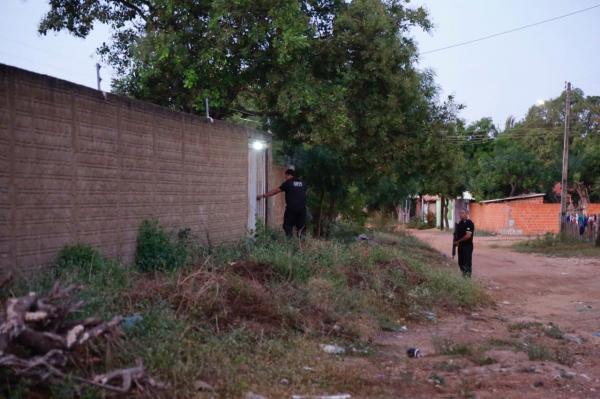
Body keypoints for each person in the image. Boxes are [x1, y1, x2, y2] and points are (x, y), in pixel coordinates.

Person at [257, 169, 307, 238]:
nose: (285, 178)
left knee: (287, 225)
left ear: (289, 175)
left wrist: (263, 195)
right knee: (301, 228)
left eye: (286, 176)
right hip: (302, 210)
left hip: (291, 209)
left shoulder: (288, 183)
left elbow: (276, 191)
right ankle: (302, 244)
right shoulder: (303, 183)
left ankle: (289, 242)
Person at [453, 209, 475, 278]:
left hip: (467, 246)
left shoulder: (469, 223)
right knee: (461, 263)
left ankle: (468, 278)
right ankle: (464, 277)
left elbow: (468, 236)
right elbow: (457, 234)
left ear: (466, 214)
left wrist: (458, 241)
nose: (460, 214)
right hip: (461, 247)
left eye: (462, 213)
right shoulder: (460, 223)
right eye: (460, 213)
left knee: (467, 263)